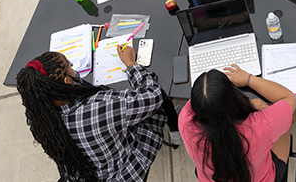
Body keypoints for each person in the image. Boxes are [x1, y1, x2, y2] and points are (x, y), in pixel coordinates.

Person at [15, 47, 181, 181]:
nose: (73, 69)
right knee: (157, 106)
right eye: (70, 66)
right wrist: (131, 64)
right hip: (123, 173)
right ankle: (176, 133)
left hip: (86, 172)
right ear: (67, 81)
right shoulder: (97, 108)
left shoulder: (37, 118)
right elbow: (153, 95)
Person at [179, 66, 296, 182]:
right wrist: (249, 79)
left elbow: (208, 102)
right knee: (290, 118)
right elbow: (290, 98)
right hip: (262, 178)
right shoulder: (260, 126)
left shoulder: (184, 120)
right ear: (234, 97)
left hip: (211, 178)